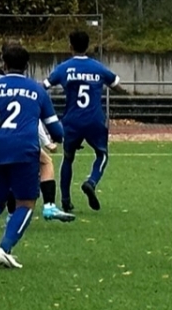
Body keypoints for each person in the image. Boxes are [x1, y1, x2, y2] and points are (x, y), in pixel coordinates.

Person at [0, 42, 63, 269]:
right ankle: (4, 248)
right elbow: (56, 130)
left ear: (4, 63)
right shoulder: (37, 90)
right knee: (26, 203)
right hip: (24, 150)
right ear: (27, 65)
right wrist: (59, 137)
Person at [48, 28, 120, 212]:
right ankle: (91, 182)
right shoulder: (98, 67)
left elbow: (46, 85)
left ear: (70, 46)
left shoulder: (64, 68)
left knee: (68, 158)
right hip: (95, 119)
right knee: (102, 154)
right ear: (88, 46)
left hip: (72, 120)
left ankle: (65, 200)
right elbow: (116, 83)